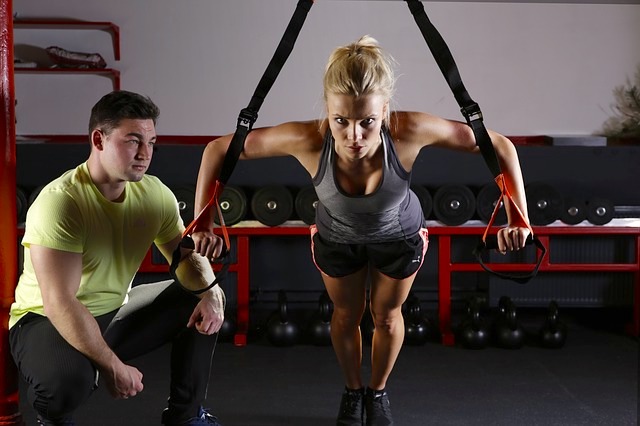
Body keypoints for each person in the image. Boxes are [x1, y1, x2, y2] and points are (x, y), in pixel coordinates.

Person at [192, 36, 531, 426]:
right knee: (345, 314)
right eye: (342, 121)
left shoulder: (410, 130)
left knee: (386, 317)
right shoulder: (308, 139)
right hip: (338, 238)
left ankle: (379, 392)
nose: (354, 135)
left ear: (384, 110)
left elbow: (499, 146)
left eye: (367, 121)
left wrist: (518, 216)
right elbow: (218, 149)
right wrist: (202, 220)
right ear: (329, 112)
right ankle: (353, 392)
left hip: (399, 237)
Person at [9, 90, 226, 426]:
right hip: (44, 319)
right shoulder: (62, 202)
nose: (145, 153)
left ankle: (186, 416)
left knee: (204, 294)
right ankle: (54, 416)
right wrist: (112, 366)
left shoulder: (155, 194)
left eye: (151, 142)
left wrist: (210, 293)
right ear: (99, 139)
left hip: (113, 311)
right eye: (133, 141)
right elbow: (59, 302)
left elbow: (185, 259)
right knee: (67, 385)